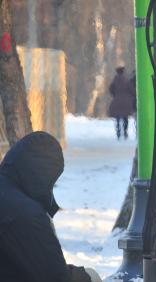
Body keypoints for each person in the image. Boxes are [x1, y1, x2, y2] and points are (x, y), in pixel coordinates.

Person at [0, 131, 101, 282]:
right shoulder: (27, 214)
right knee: (92, 275)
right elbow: (56, 276)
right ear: (41, 176)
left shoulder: (8, 195)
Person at [109, 66, 135, 139]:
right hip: (126, 102)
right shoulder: (126, 80)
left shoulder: (114, 80)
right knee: (125, 118)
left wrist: (115, 95)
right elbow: (131, 89)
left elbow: (111, 89)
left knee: (117, 118)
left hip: (117, 100)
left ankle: (118, 132)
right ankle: (125, 132)